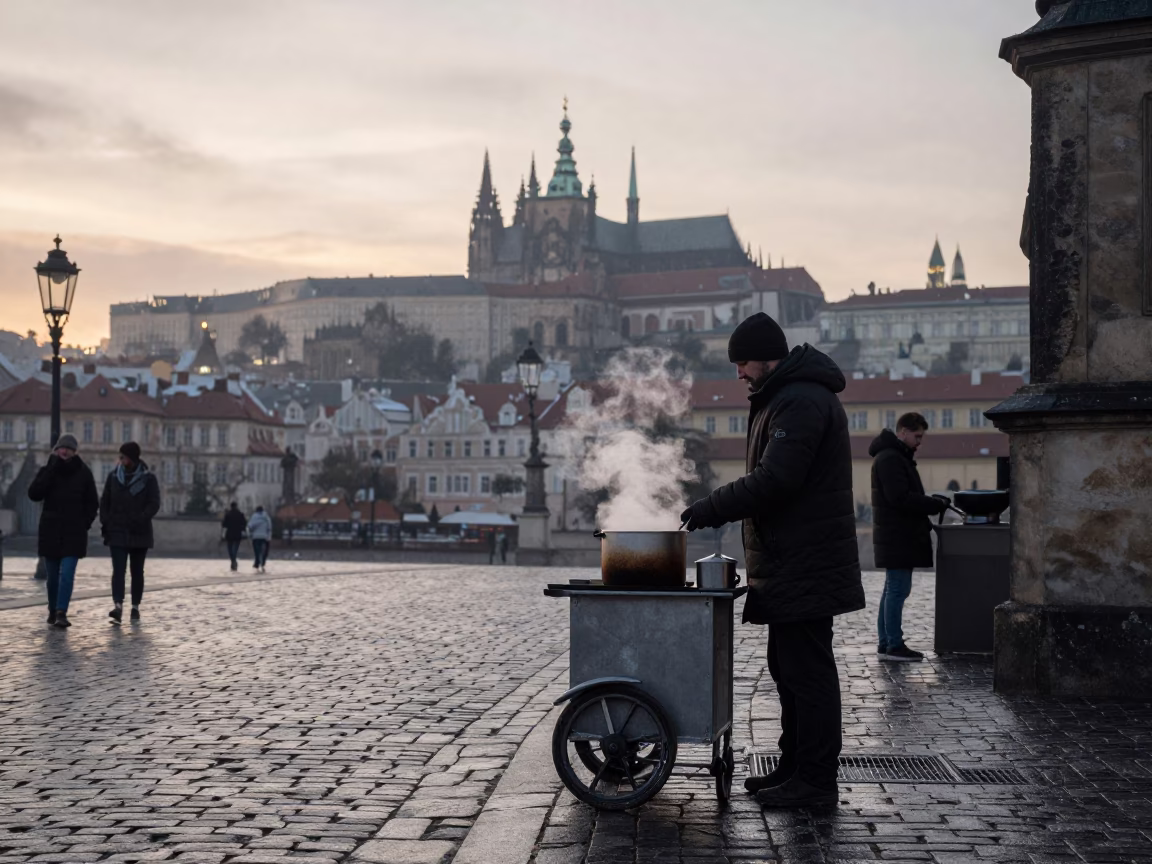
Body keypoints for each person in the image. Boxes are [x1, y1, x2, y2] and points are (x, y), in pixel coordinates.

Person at [680, 312, 864, 809]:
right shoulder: (782, 396)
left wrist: (711, 507)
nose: (738, 372)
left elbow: (777, 480)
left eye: (742, 362)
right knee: (788, 669)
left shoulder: (800, 399)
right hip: (791, 560)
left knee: (808, 674)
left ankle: (816, 781)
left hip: (805, 560)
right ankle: (794, 765)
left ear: (766, 358)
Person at [869, 413, 950, 662]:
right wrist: (933, 504)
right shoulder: (892, 459)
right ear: (902, 431)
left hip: (896, 534)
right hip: (898, 535)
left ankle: (887, 642)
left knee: (892, 589)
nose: (919, 442)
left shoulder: (892, 457)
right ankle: (893, 644)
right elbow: (900, 498)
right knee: (897, 590)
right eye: (917, 436)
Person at [27, 434, 99, 628]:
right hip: (51, 530)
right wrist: (50, 471)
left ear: (74, 452)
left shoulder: (84, 472)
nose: (64, 451)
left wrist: (84, 523)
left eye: (68, 448)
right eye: (61, 448)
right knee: (52, 578)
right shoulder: (47, 470)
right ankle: (52, 609)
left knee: (66, 573)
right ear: (56, 450)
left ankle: (61, 612)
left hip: (74, 532)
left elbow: (93, 502)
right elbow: (34, 494)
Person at [99, 442, 161, 624]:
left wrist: (141, 518)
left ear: (132, 459)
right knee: (118, 570)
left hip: (139, 531)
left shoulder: (148, 479)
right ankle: (117, 606)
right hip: (117, 530)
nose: (120, 460)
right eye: (120, 457)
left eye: (123, 457)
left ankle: (135, 606)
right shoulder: (113, 477)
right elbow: (105, 501)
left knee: (137, 571)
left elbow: (154, 503)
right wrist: (106, 520)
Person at [221, 502, 247, 571]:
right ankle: (234, 561)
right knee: (235, 548)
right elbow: (244, 523)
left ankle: (233, 561)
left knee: (230, 549)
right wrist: (242, 529)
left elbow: (224, 524)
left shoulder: (228, 514)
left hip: (229, 534)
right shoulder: (240, 514)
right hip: (238, 533)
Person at [248, 505, 272, 572]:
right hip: (264, 537)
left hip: (256, 537)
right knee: (264, 551)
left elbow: (250, 526)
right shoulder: (267, 517)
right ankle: (262, 563)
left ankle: (257, 563)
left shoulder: (254, 517)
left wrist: (250, 533)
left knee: (257, 551)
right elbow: (269, 528)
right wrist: (268, 537)